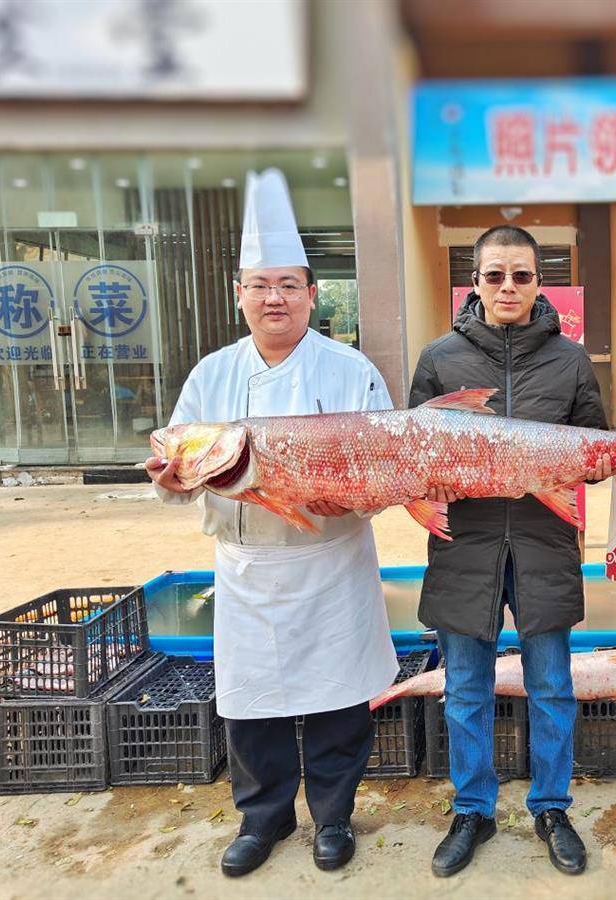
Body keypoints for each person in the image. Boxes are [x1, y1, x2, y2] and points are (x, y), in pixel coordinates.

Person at [146, 169, 397, 878]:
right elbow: (177, 465)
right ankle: (264, 818)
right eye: (260, 285)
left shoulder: (351, 370)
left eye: (288, 284)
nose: (274, 298)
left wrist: (353, 500)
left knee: (339, 701)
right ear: (240, 294)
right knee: (251, 704)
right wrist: (168, 480)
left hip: (332, 562)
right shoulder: (210, 375)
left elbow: (384, 467)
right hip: (248, 565)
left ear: (312, 294)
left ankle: (334, 816)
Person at [409, 225, 616, 878]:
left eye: (521, 275)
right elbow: (412, 450)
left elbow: (593, 445)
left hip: (544, 544)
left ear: (538, 282)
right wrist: (431, 478)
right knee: (465, 690)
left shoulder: (570, 359)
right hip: (463, 548)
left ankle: (551, 807)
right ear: (474, 282)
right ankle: (472, 809)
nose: (508, 286)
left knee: (551, 687)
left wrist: (586, 465)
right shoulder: (439, 358)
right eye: (495, 274)